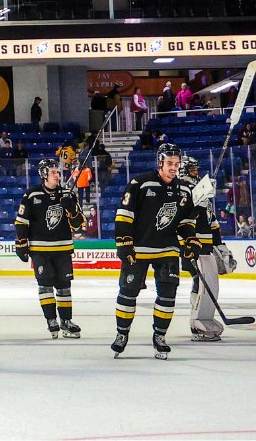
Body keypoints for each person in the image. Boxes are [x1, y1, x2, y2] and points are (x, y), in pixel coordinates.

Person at [112, 143, 199, 360]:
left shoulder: (184, 190)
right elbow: (124, 214)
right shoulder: (140, 183)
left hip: (167, 248)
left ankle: (160, 336)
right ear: (160, 162)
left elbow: (185, 222)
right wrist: (124, 243)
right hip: (138, 249)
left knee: (168, 295)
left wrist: (190, 241)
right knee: (128, 292)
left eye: (177, 164)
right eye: (170, 163)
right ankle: (122, 334)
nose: (174, 168)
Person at [15, 159, 85, 339]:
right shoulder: (32, 195)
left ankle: (66, 321)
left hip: (63, 249)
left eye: (58, 172)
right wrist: (21, 243)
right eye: (53, 172)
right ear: (44, 174)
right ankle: (51, 320)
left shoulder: (67, 194)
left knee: (64, 286)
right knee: (45, 285)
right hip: (40, 250)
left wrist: (72, 209)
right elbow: (21, 221)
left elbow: (78, 223)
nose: (57, 175)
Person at [179, 157, 231, 342]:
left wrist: (219, 244)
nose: (195, 173)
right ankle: (196, 320)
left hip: (206, 247)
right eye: (192, 170)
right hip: (191, 246)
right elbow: (182, 219)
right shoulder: (182, 191)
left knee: (208, 283)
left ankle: (202, 317)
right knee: (198, 281)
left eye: (196, 170)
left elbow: (213, 222)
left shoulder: (203, 195)